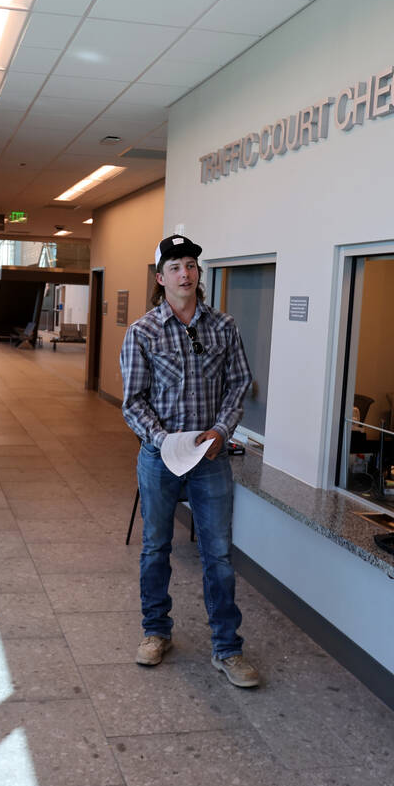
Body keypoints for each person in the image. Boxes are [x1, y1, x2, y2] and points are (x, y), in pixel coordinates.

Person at [119, 234, 259, 688]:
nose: (186, 272)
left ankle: (227, 648)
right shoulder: (143, 331)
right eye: (176, 266)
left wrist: (222, 431)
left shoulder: (224, 327)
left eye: (192, 265)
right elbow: (133, 401)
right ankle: (156, 632)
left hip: (211, 457)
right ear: (161, 278)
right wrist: (162, 440)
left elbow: (240, 383)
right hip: (159, 458)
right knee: (156, 547)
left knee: (217, 554)